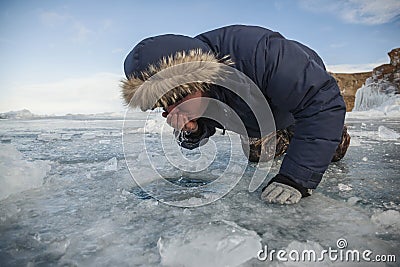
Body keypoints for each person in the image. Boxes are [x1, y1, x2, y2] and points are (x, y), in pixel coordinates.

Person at [121, 25, 350, 204]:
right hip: (256, 119)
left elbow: (321, 101)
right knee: (258, 154)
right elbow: (209, 119)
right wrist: (195, 130)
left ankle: (311, 132)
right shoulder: (200, 92)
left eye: (175, 99)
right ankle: (287, 136)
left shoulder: (261, 53)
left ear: (196, 80)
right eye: (162, 105)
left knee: (331, 148)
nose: (171, 111)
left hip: (299, 103)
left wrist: (296, 177)